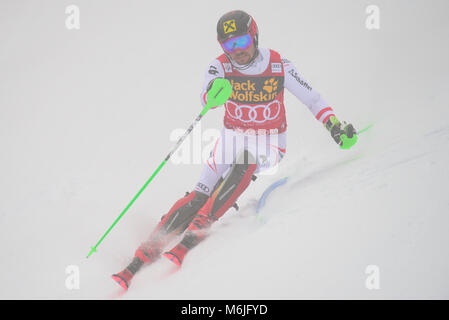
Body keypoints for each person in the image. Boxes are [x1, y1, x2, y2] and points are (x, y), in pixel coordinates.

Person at [112, 10, 357, 290]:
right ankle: (147, 250)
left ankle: (200, 228)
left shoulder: (278, 65)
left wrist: (334, 125)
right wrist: (215, 92)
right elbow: (208, 95)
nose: (237, 51)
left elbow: (312, 98)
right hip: (232, 137)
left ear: (254, 36)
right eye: (229, 46)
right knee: (198, 195)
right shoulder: (220, 66)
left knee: (245, 162)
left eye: (241, 42)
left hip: (269, 141)